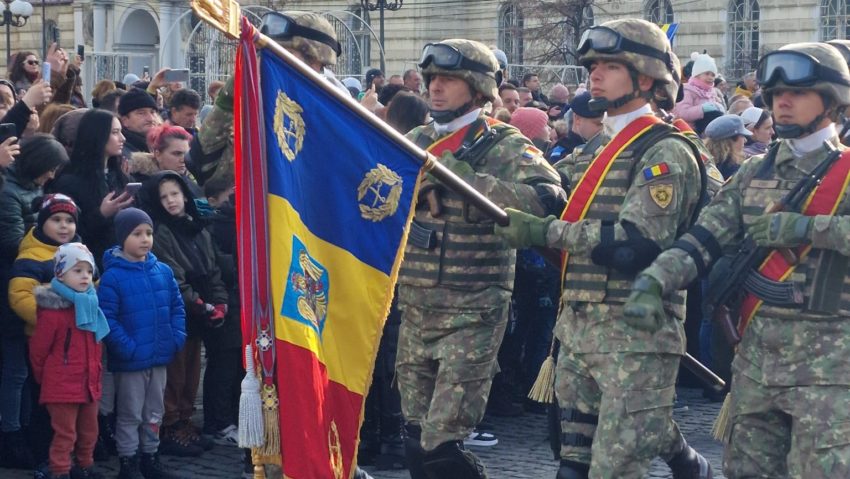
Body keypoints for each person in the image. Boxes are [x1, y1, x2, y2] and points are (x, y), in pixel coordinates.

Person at [494, 19, 712, 478]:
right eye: (592, 65)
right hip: (579, 332)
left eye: (610, 65)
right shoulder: (602, 147)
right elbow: (546, 192)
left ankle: (690, 464)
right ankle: (689, 464)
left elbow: (635, 244)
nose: (594, 74)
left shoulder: (664, 151)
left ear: (647, 77)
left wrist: (543, 233)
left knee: (613, 469)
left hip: (635, 339)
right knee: (572, 465)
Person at [624, 41, 850, 478]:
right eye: (774, 94)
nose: (781, 103)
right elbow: (704, 239)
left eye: (797, 94)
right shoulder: (753, 173)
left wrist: (809, 229)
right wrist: (656, 279)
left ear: (832, 101)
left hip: (830, 370)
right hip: (756, 364)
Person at [395, 38, 564, 478]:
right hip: (415, 307)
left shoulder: (504, 144)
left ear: (476, 87)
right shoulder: (414, 141)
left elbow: (547, 198)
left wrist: (467, 180)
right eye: (432, 79)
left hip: (472, 309)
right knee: (414, 439)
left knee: (440, 443)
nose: (435, 88)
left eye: (448, 79)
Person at [139, 171, 227, 457]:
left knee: (191, 371)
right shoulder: (161, 231)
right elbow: (174, 277)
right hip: (178, 309)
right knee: (175, 373)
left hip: (200, 306)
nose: (171, 201)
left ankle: (184, 420)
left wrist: (219, 301)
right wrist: (200, 304)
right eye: (164, 197)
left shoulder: (196, 226)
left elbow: (212, 267)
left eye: (175, 194)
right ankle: (170, 425)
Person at [99, 207, 186, 479]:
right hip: (131, 361)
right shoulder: (113, 276)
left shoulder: (163, 271)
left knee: (153, 412)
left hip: (159, 356)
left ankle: (151, 456)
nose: (145, 239)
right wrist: (127, 347)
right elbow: (108, 319)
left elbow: (177, 307)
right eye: (137, 234)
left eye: (148, 233)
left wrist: (176, 337)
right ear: (123, 237)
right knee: (130, 414)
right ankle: (129, 462)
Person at [29, 242, 107, 479]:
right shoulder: (53, 312)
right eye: (77, 270)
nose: (85, 277)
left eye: (88, 271)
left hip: (88, 383)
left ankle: (85, 465)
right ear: (60, 274)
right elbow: (38, 350)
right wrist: (48, 378)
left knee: (89, 431)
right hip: (61, 385)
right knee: (65, 433)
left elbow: (96, 345)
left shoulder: (90, 303)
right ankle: (61, 470)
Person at [49, 109, 133, 270]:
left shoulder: (119, 175)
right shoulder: (69, 181)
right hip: (91, 267)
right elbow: (67, 232)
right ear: (97, 136)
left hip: (125, 259)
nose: (123, 138)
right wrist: (101, 214)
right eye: (115, 132)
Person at [130, 124, 201, 197]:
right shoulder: (143, 188)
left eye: (186, 154)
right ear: (158, 155)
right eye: (177, 154)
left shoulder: (191, 180)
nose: (183, 160)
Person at [547, 92, 602, 164]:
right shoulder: (558, 155)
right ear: (577, 119)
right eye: (598, 124)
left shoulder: (600, 147)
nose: (603, 129)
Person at [673, 53, 725, 128]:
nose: (710, 77)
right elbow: (682, 113)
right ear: (697, 75)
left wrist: (719, 108)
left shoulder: (712, 92)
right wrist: (702, 109)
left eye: (713, 75)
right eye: (707, 74)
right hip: (690, 132)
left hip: (709, 131)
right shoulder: (688, 90)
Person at [118, 88, 159, 158]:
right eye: (141, 113)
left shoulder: (163, 144)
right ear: (125, 121)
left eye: (152, 112)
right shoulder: (121, 153)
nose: (151, 119)